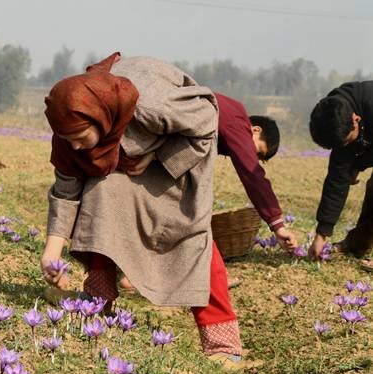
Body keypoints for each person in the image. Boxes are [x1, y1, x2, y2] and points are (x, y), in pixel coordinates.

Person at [41, 53, 247, 368]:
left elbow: (207, 117)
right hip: (124, 154)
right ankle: (97, 301)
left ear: (100, 118)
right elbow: (66, 189)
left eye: (80, 138)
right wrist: (51, 253)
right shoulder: (69, 134)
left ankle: (223, 342)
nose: (76, 147)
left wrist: (159, 157)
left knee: (190, 238)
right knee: (101, 193)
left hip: (178, 150)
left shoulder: (151, 106)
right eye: (69, 140)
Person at [120, 93, 297, 291]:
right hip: (149, 140)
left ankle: (204, 275)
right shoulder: (237, 121)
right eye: (258, 152)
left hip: (149, 139)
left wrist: (154, 153)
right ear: (255, 129)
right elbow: (252, 174)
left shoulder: (224, 111)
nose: (253, 156)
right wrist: (277, 224)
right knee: (185, 213)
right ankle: (140, 274)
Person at [307, 81, 373, 271]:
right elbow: (336, 182)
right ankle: (357, 244)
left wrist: (358, 163)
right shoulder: (333, 117)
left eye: (347, 142)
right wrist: (322, 234)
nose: (345, 148)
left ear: (356, 119)